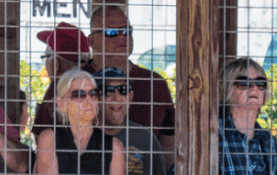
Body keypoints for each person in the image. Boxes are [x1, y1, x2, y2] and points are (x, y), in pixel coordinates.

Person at [34, 6, 175, 163]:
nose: (123, 37)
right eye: (111, 33)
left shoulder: (155, 84)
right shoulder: (67, 83)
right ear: (91, 41)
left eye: (127, 31)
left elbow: (168, 149)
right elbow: (42, 143)